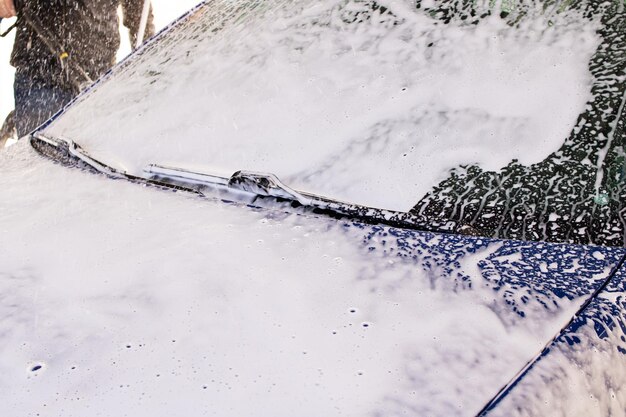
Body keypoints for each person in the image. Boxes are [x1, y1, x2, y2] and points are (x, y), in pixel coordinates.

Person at [0, 0, 154, 137]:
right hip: (40, 75)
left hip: (99, 78)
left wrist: (149, 64)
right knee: (38, 162)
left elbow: (139, 11)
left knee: (94, 162)